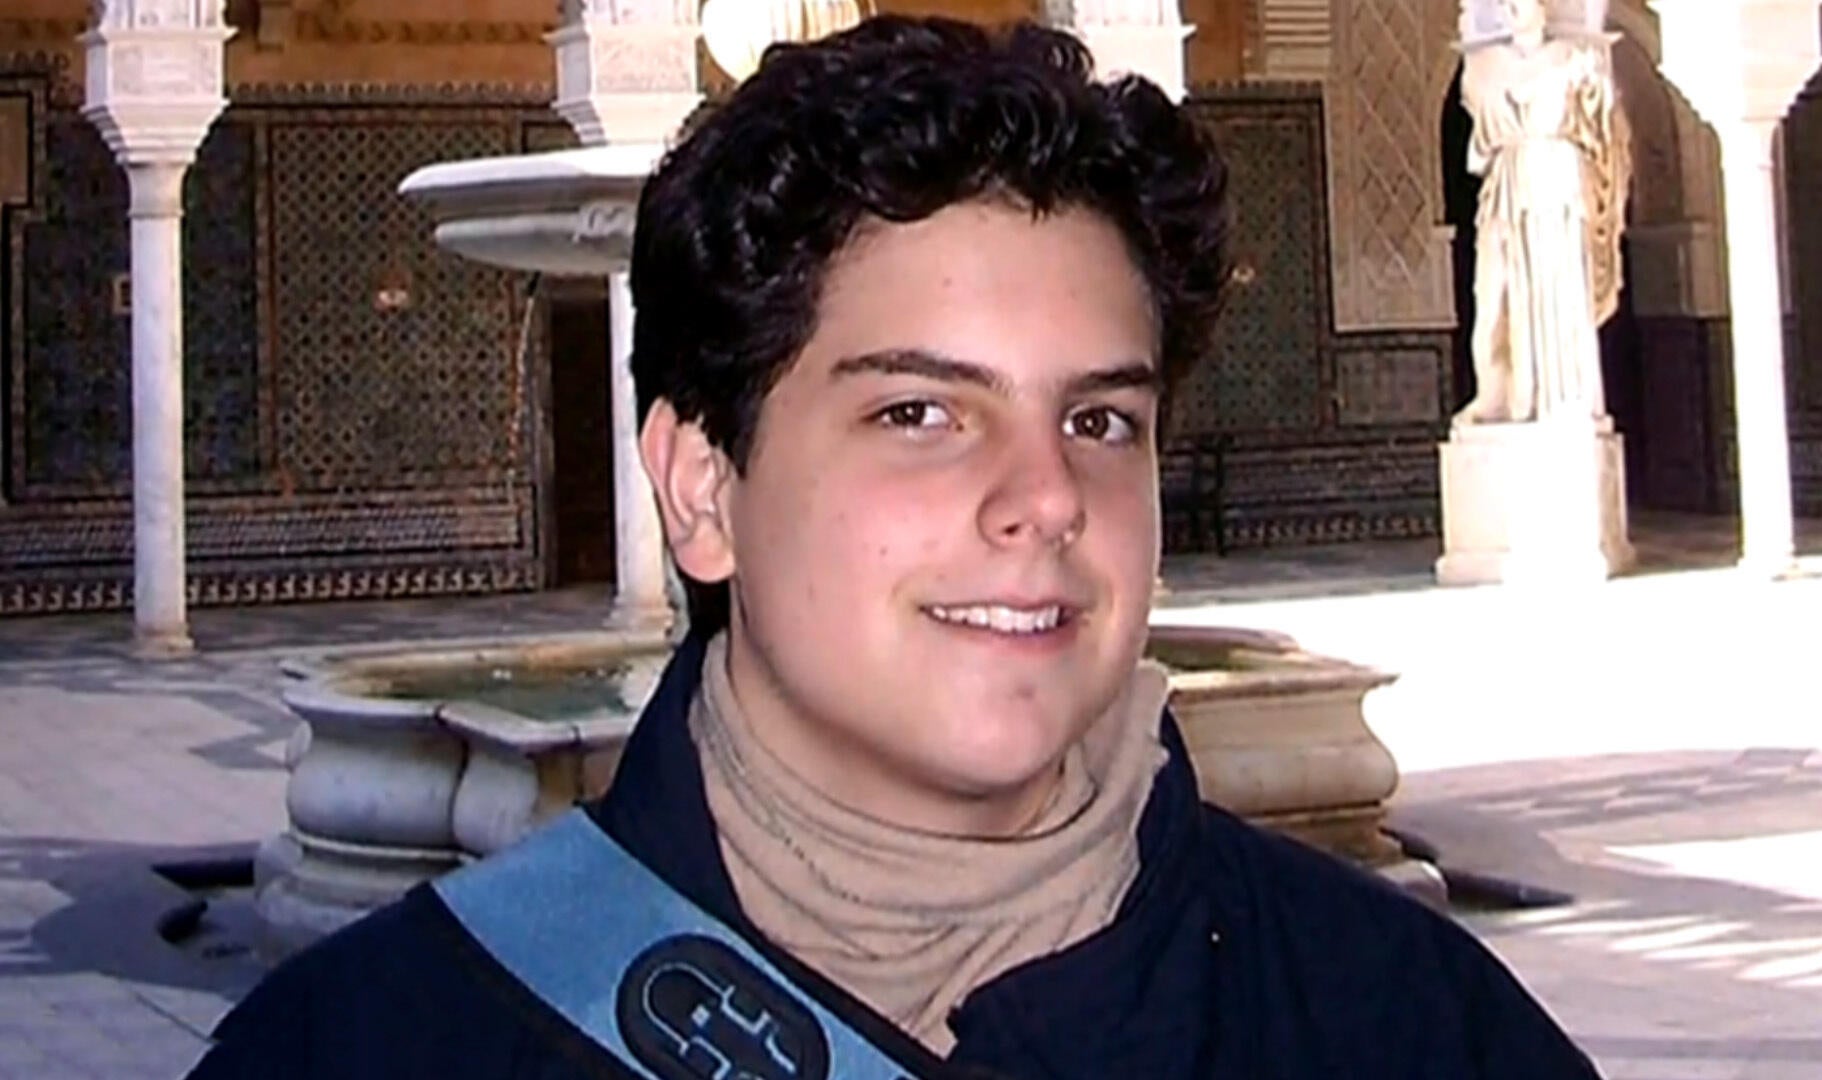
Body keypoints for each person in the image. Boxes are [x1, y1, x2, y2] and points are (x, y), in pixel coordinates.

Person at [188, 16, 1602, 1078]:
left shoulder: (1410, 1026)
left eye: (1099, 420)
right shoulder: (381, 1044)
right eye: (920, 412)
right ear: (701, 489)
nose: (1046, 497)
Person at [1455, 0, 1630, 426]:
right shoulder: (1485, 65)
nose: (1512, 6)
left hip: (1556, 181)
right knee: (1494, 295)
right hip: (1509, 183)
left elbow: (1602, 124)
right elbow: (1479, 141)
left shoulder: (1570, 58)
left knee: (1558, 280)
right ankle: (1497, 394)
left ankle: (1562, 395)